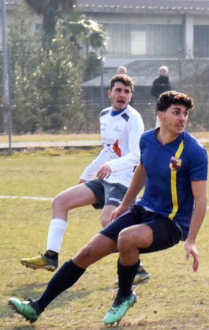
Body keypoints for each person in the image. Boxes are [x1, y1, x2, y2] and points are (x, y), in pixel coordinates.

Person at [9, 91, 209, 326]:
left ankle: (124, 295)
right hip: (142, 210)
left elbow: (201, 200)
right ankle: (36, 307)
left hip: (172, 223)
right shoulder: (146, 140)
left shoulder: (194, 152)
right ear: (160, 115)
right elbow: (141, 172)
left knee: (127, 237)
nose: (182, 118)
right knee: (86, 253)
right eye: (176, 112)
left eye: (185, 114)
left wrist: (191, 240)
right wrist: (125, 205)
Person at [20, 74, 150, 285]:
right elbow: (106, 151)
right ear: (110, 94)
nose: (122, 94)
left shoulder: (133, 119)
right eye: (118, 90)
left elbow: (136, 156)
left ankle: (138, 269)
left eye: (126, 92)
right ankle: (51, 256)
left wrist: (111, 166)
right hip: (105, 177)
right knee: (60, 201)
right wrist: (85, 175)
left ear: (131, 96)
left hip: (123, 180)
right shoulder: (105, 115)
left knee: (108, 220)